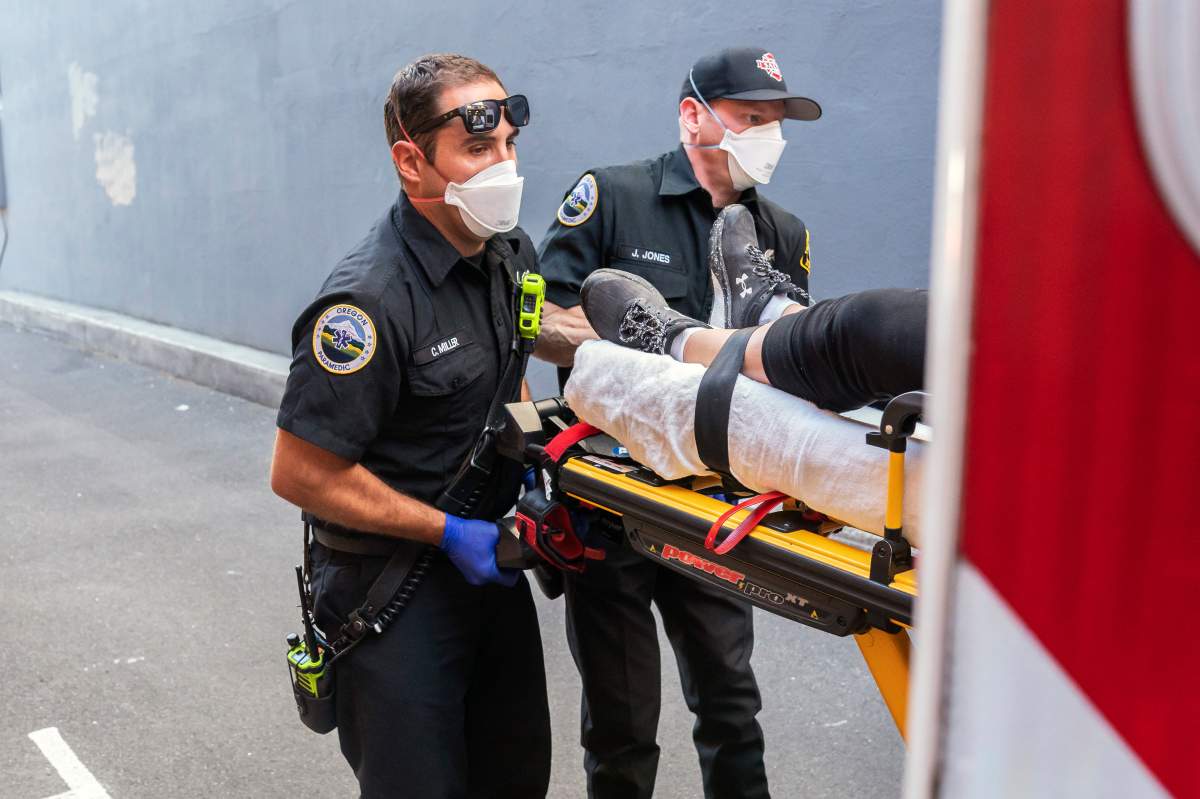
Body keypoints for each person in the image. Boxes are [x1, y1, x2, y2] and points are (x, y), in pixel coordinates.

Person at [535, 46, 822, 799]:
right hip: (611, 495)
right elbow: (543, 322)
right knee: (622, 721)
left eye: (776, 123)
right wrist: (646, 352)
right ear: (693, 116)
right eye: (750, 118)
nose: (768, 137)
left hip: (713, 499)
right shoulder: (613, 195)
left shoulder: (782, 233)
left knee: (731, 703)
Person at [268, 53, 550, 798]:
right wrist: (447, 533)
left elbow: (509, 372)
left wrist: (537, 466)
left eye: (509, 144)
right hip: (391, 592)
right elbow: (300, 472)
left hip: (491, 569)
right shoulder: (364, 305)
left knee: (517, 777)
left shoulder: (508, 253)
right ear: (411, 162)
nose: (504, 167)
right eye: (478, 148)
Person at [580, 204, 927, 412]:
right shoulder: (619, 194)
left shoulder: (785, 226)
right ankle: (770, 312)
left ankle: (679, 341)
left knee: (870, 327)